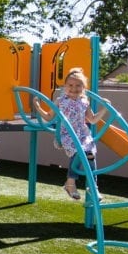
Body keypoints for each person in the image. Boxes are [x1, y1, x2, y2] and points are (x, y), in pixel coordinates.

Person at [32, 67, 109, 200]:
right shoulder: (61, 101)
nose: (74, 88)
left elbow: (92, 119)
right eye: (71, 85)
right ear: (65, 86)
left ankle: (93, 187)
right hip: (67, 134)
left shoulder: (85, 101)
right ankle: (70, 182)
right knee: (79, 152)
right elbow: (49, 117)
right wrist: (38, 107)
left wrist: (104, 109)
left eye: (78, 85)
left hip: (83, 135)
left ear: (83, 87)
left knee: (90, 155)